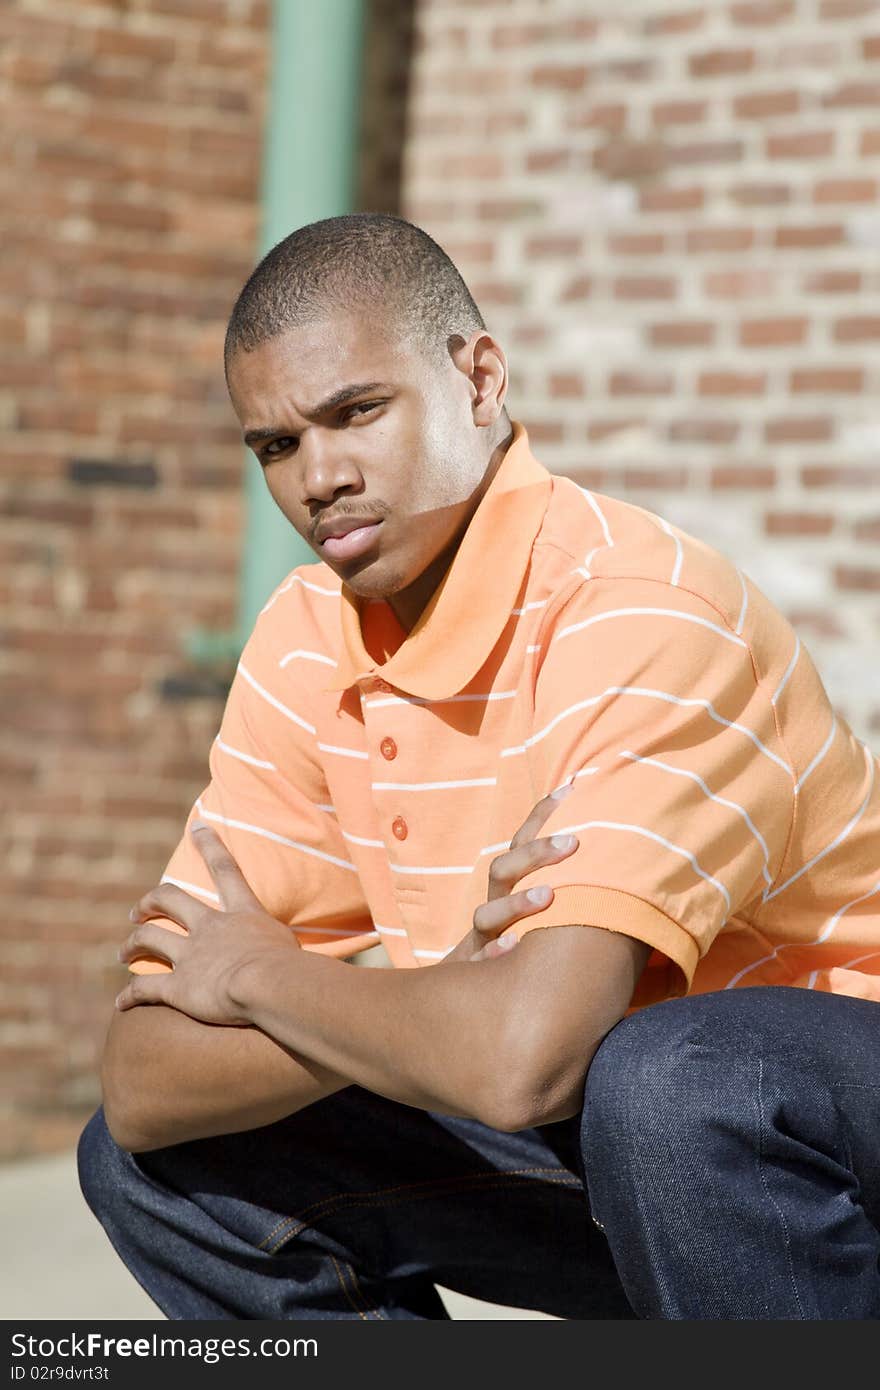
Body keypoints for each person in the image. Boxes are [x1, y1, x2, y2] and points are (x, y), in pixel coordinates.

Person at [78, 213, 880, 1321]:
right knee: (165, 1167)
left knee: (672, 1079)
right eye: (276, 444)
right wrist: (443, 987)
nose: (320, 476)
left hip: (822, 1147)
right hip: (619, 1157)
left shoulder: (639, 610)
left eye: (356, 411)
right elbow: (142, 1081)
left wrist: (270, 977)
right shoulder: (307, 637)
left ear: (480, 379)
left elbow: (521, 1061)